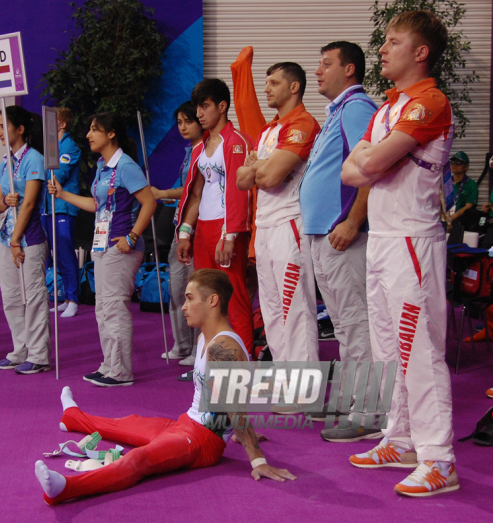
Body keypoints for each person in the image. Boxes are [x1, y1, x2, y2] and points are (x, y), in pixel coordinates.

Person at [34, 268, 296, 505]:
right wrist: (229, 429)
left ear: (213, 301)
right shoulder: (207, 336)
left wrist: (257, 459)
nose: (184, 306)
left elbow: (234, 407)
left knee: (138, 459)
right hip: (188, 423)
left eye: (190, 298)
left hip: (200, 441)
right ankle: (73, 418)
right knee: (128, 423)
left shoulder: (224, 348)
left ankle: (65, 488)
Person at [341, 10, 458, 497]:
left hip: (413, 240)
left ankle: (440, 459)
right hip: (383, 240)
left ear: (421, 52)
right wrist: (371, 161)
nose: (382, 49)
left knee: (420, 353)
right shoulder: (387, 107)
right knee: (390, 351)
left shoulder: (429, 102)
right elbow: (352, 172)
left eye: (393, 41)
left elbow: (370, 161)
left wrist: (371, 161)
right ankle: (401, 437)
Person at [299, 42, 379, 440]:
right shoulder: (337, 113)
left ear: (349, 70)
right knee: (344, 327)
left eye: (325, 64)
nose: (318, 71)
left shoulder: (356, 107)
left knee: (355, 323)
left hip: (341, 234)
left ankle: (367, 413)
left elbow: (371, 167)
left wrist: (353, 220)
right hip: (323, 234)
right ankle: (353, 401)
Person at [48, 112, 156, 386]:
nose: (88, 135)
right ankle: (109, 365)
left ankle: (121, 372)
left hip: (121, 248)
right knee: (103, 308)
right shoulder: (102, 166)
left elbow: (149, 203)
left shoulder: (126, 166)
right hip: (103, 245)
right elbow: (98, 206)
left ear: (111, 134)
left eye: (95, 129)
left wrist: (131, 237)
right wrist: (62, 194)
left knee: (115, 307)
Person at [236, 62, 320, 366]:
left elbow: (268, 178)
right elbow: (241, 180)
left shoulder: (303, 124)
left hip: (289, 224)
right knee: (271, 310)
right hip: (265, 226)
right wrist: (264, 166)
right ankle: (285, 379)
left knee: (295, 308)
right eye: (266, 82)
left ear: (294, 87)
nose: (266, 88)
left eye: (273, 83)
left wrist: (259, 166)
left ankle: (304, 390)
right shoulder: (269, 130)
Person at [176, 79, 254, 354]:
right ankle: (207, 362)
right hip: (204, 231)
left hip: (227, 230)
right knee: (201, 299)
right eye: (197, 106)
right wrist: (186, 232)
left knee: (234, 301)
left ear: (222, 107)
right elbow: (195, 195)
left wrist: (229, 235)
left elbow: (239, 192)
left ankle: (243, 368)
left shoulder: (238, 142)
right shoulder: (199, 149)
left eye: (205, 106)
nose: (199, 113)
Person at [0, 105, 51, 374]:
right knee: (11, 298)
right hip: (5, 239)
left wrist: (16, 239)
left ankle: (38, 355)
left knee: (34, 298)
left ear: (20, 129)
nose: (0, 133)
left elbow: (28, 204)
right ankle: (20, 350)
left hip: (28, 240)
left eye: (3, 127)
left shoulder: (33, 158)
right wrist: (5, 200)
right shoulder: (6, 160)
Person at [150, 101, 203, 368]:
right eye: (179, 122)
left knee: (193, 290)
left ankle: (196, 347)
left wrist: (162, 194)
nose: (183, 127)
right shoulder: (188, 151)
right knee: (176, 289)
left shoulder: (206, 151)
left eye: (188, 121)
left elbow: (194, 191)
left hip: (197, 229)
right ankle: (181, 344)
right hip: (179, 225)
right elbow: (184, 189)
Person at [42, 107, 81, 318]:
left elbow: (60, 175)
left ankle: (74, 299)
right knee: (56, 255)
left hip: (64, 208)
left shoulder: (70, 147)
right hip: (49, 208)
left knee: (66, 255)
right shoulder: (51, 147)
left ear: (63, 124)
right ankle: (66, 298)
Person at [448, 151, 478, 226]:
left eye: (458, 163)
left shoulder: (471, 184)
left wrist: (452, 217)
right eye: (452, 162)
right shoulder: (446, 182)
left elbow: (469, 206)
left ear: (466, 167)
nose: (454, 165)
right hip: (445, 218)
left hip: (461, 221)